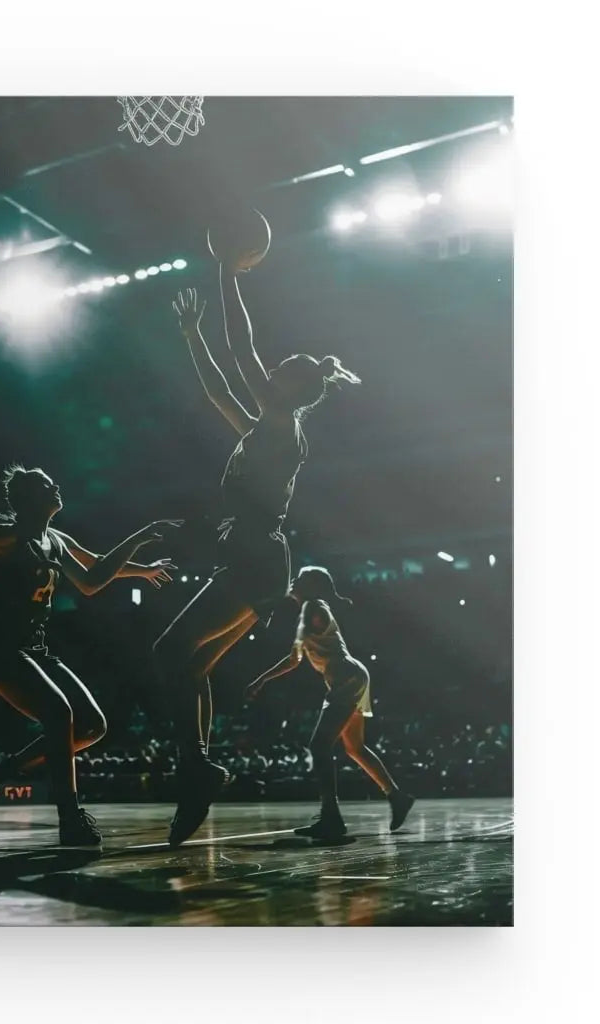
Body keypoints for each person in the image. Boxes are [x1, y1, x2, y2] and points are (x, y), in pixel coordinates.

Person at [154, 271, 361, 847]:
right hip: (253, 559)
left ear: (291, 387)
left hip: (258, 559)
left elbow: (242, 350)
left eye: (277, 371)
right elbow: (220, 389)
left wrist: (226, 272)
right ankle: (196, 771)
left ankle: (196, 768)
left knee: (170, 649)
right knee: (188, 664)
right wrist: (193, 337)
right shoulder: (260, 429)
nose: (267, 372)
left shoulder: (281, 423)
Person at [0, 464, 180, 846]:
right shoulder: (6, 537)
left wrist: (140, 564)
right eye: (45, 484)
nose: (56, 486)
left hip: (34, 649)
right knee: (59, 714)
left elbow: (92, 578)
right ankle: (70, 816)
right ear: (28, 499)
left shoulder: (56, 540)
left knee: (91, 727)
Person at [247, 566, 414, 839]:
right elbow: (293, 660)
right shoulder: (310, 608)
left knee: (319, 745)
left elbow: (311, 628)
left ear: (311, 586)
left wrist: (284, 609)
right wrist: (262, 680)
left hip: (347, 678)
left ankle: (331, 817)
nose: (293, 580)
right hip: (352, 677)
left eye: (299, 579)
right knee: (354, 748)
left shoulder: (314, 606)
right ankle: (397, 796)